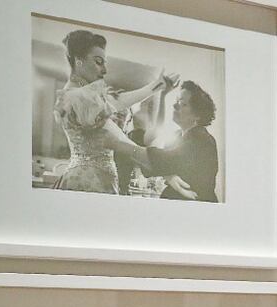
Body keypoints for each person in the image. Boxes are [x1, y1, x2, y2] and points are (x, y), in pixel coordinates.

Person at [52, 30, 176, 194]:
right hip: (90, 180)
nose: (104, 70)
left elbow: (117, 101)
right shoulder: (80, 98)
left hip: (89, 175)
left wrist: (157, 86)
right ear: (79, 61)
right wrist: (160, 167)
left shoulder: (77, 95)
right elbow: (120, 139)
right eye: (98, 62)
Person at [135, 81, 220, 202]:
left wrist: (165, 172)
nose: (175, 105)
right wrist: (163, 95)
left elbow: (161, 161)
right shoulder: (177, 136)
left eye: (183, 103)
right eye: (177, 100)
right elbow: (154, 162)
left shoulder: (203, 140)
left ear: (197, 115)